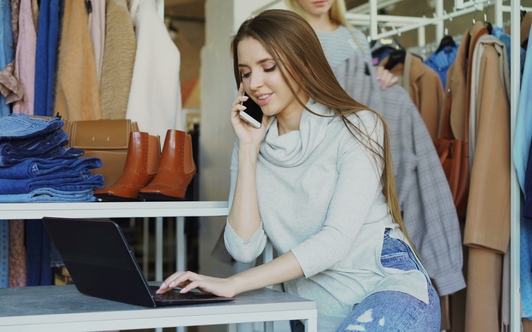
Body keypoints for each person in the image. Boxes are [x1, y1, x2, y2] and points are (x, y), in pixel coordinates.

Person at [156, 9, 440, 331]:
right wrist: (249, 150)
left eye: (268, 67)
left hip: (386, 288)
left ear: (304, 64)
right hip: (314, 306)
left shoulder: (358, 126)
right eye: (245, 73)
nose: (255, 84)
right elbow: (244, 248)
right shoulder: (252, 141)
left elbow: (334, 241)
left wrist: (234, 284)